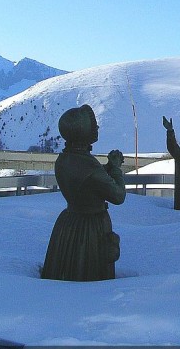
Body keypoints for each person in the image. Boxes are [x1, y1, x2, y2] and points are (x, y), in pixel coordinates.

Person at [41, 104, 126, 281]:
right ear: (84, 130)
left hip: (69, 222)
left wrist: (107, 167)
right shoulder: (88, 164)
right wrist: (116, 168)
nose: (97, 127)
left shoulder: (64, 158)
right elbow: (118, 196)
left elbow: (88, 179)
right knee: (89, 273)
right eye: (93, 124)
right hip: (90, 228)